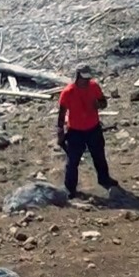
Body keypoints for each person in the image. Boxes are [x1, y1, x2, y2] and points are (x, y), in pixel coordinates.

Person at [57, 64, 119, 197]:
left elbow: (103, 102)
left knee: (99, 156)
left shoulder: (94, 86)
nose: (86, 81)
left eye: (88, 78)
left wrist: (99, 105)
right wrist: (60, 132)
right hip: (75, 131)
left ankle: (104, 179)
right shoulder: (68, 92)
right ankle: (70, 188)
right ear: (77, 76)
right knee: (73, 161)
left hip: (93, 128)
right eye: (83, 78)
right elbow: (61, 113)